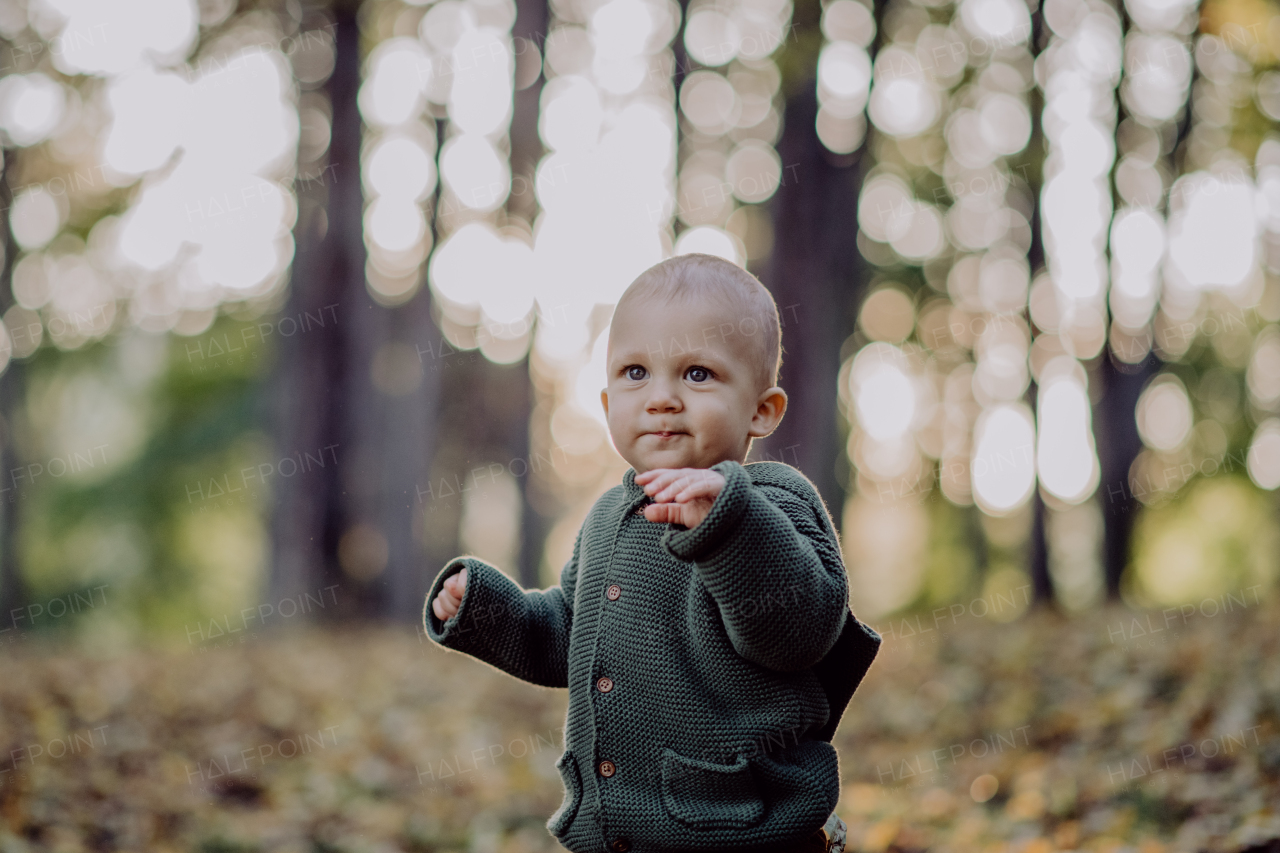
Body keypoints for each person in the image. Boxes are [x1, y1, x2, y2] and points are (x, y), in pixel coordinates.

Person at [424, 253, 881, 853]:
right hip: (617, 831)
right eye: (635, 373)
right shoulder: (608, 518)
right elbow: (570, 634)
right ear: (610, 404)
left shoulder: (772, 502)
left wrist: (730, 524)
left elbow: (799, 631)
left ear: (761, 411)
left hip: (741, 828)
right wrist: (486, 609)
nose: (662, 397)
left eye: (697, 374)